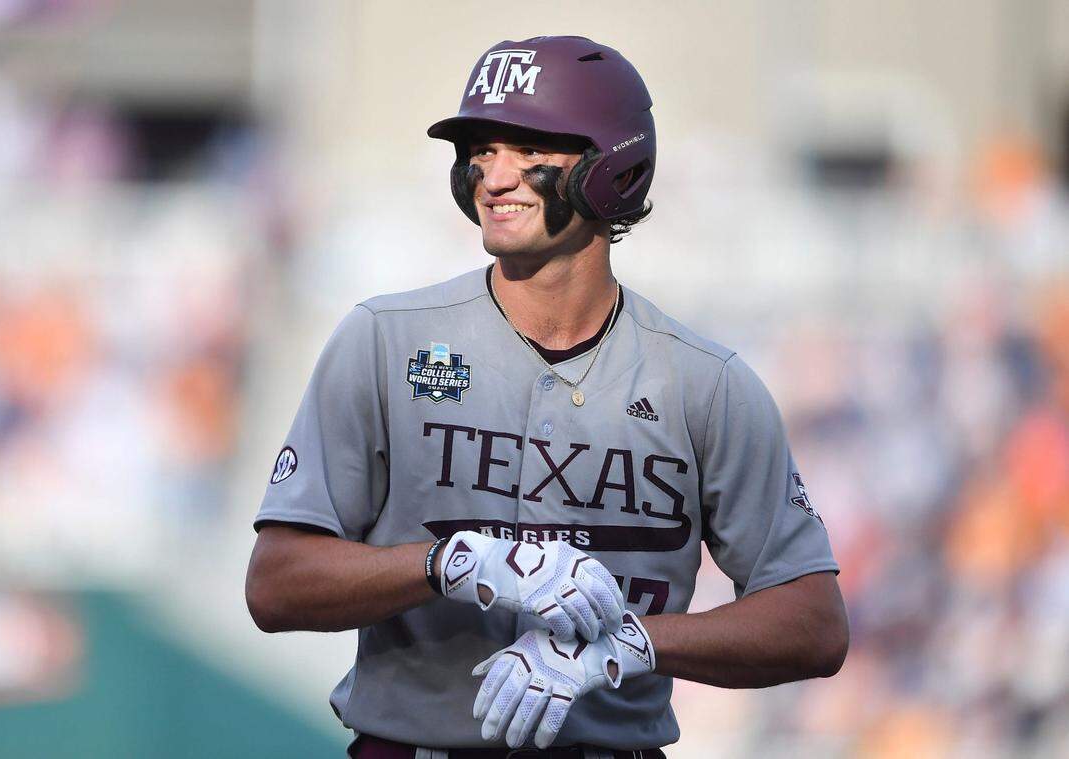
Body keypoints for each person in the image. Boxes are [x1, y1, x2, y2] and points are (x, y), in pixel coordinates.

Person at [245, 35, 849, 758]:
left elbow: (814, 623)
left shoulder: (706, 383)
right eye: (481, 149)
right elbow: (274, 585)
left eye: (527, 146)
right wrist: (451, 562)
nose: (492, 176)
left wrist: (627, 644)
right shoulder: (385, 340)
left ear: (613, 166)